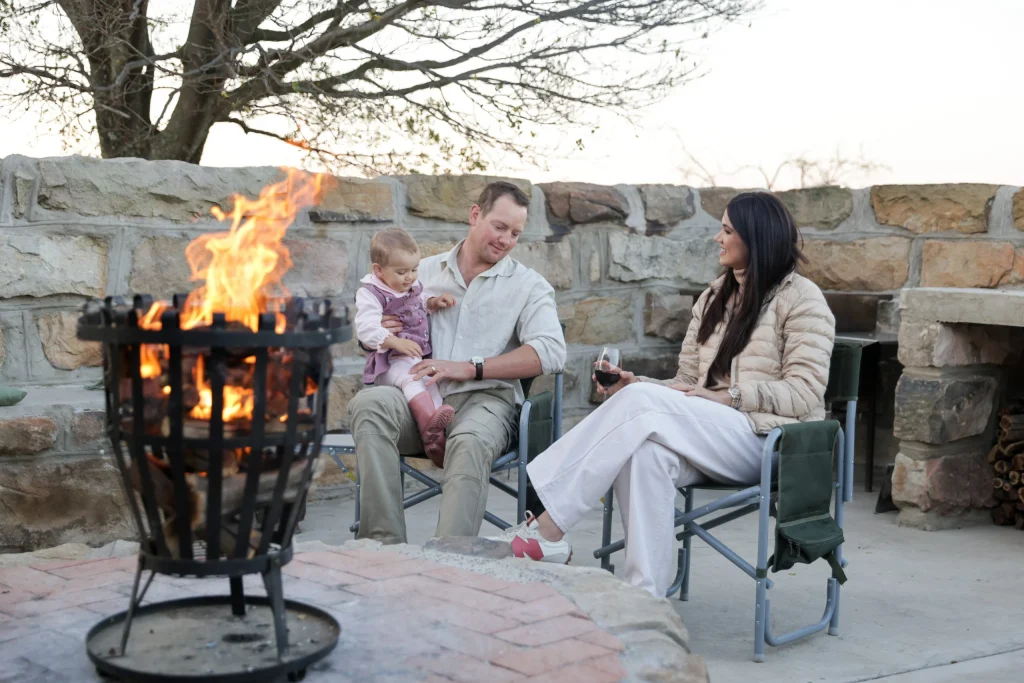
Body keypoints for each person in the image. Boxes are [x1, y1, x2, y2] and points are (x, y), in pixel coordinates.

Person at [504, 191, 836, 598]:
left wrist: (731, 396)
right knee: (646, 454)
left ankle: (548, 525)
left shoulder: (802, 299)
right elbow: (686, 384)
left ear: (756, 237)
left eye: (727, 230)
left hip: (767, 440)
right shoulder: (715, 297)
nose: (717, 238)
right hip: (708, 433)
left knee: (641, 408)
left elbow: (805, 392)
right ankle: (645, 598)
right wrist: (638, 384)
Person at [347, 182, 567, 543]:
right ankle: (383, 549)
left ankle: (449, 559)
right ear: (475, 214)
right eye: (499, 227)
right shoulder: (418, 272)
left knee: (469, 440)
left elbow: (551, 352)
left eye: (515, 233)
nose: (506, 240)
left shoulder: (529, 286)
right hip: (418, 397)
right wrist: (380, 332)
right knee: (369, 404)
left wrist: (469, 367)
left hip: (485, 401)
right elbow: (371, 324)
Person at [354, 227, 458, 465]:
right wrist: (395, 341)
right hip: (390, 362)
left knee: (431, 386)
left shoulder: (410, 285)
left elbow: (418, 302)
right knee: (412, 380)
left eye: (414, 269)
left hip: (415, 359)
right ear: (378, 270)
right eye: (401, 272)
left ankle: (436, 440)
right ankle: (429, 428)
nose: (410, 277)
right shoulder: (371, 293)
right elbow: (366, 328)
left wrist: (434, 302)